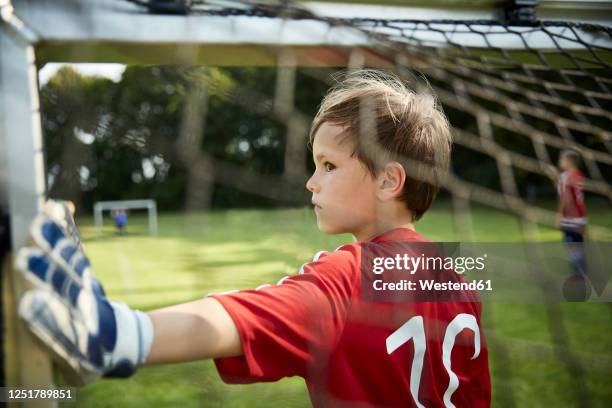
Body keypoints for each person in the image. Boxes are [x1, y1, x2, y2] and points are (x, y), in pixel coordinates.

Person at [16, 70, 491, 406]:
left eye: (329, 166)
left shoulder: (350, 274)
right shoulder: (459, 280)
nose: (311, 181)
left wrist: (120, 334)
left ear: (390, 181)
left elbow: (245, 317)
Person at [546, 149, 588, 278]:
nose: (560, 162)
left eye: (561, 160)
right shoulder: (577, 175)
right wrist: (554, 178)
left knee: (572, 246)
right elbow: (561, 189)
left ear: (569, 161)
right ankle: (582, 272)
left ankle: (578, 274)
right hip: (580, 218)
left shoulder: (568, 177)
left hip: (570, 218)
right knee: (577, 245)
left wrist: (559, 215)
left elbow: (566, 197)